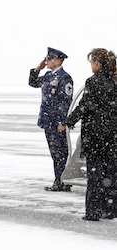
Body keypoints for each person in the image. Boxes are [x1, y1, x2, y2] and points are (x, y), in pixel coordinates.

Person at [66, 48, 117, 221]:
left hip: (96, 136)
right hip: (113, 136)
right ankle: (110, 209)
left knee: (95, 175)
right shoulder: (114, 80)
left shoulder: (94, 81)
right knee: (111, 174)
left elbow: (84, 106)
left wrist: (69, 120)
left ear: (97, 63)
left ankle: (93, 211)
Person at [29, 47, 74, 192]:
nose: (46, 61)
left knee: (61, 152)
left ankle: (62, 181)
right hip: (48, 120)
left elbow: (65, 102)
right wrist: (38, 68)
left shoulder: (64, 78)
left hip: (57, 122)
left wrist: (62, 122)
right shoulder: (48, 76)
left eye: (49, 59)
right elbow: (33, 82)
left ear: (58, 61)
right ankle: (60, 180)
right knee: (55, 153)